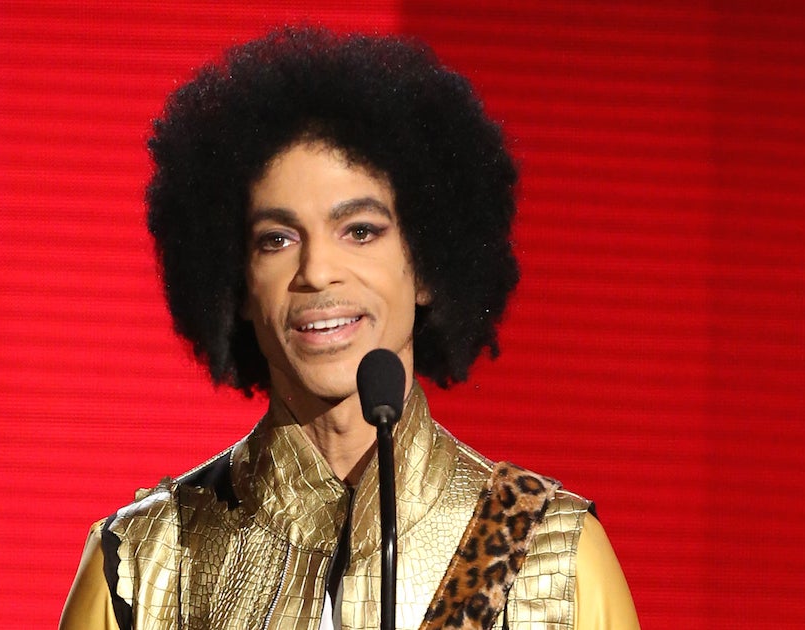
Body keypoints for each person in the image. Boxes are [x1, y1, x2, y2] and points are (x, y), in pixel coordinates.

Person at [60, 26, 639, 630]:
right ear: (237, 289)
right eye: (277, 239)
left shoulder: (551, 558)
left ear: (428, 267)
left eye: (360, 230)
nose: (316, 272)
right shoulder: (145, 564)